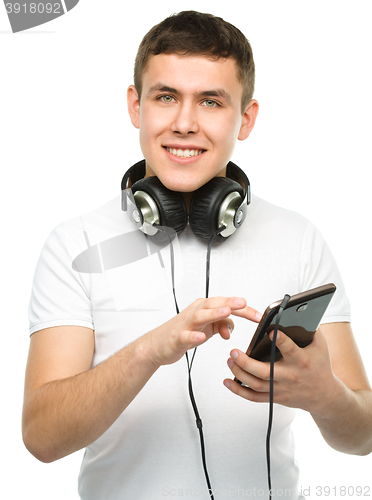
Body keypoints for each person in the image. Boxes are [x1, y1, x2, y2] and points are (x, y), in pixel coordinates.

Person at [22, 10, 372, 500]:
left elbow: (363, 436)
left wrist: (325, 396)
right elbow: (41, 438)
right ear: (135, 106)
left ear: (245, 119)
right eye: (166, 97)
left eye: (210, 102)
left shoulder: (299, 238)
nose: (185, 124)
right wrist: (149, 352)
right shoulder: (75, 243)